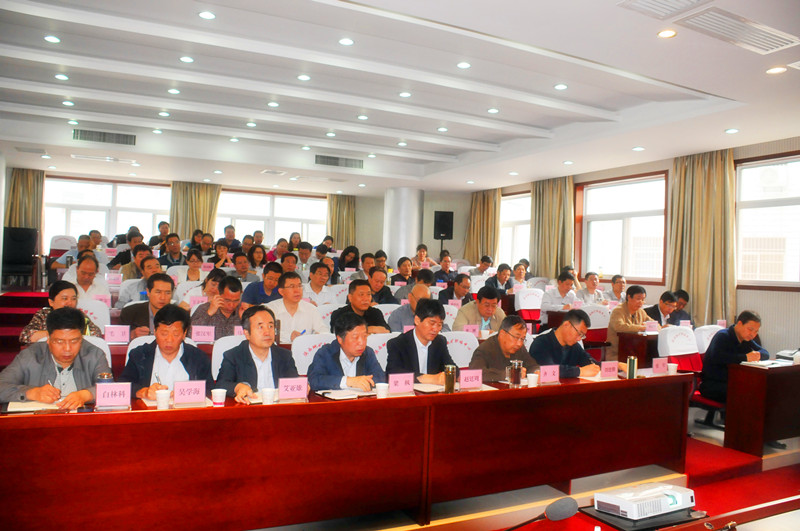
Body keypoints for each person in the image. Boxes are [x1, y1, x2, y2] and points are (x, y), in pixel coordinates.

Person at [0, 307, 111, 408]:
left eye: (74, 341)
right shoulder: (30, 355)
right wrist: (32, 393)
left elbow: (110, 389)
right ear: (48, 338)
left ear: (81, 338)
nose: (67, 348)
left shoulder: (95, 355)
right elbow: (2, 386)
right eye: (59, 341)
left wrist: (86, 395)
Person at [119, 304, 214, 399]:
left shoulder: (198, 358)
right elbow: (123, 386)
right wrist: (144, 392)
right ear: (155, 331)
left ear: (184, 334)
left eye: (176, 334)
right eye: (164, 334)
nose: (169, 340)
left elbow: (209, 390)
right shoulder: (139, 355)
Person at [216, 306, 299, 403]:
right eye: (260, 327)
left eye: (270, 326)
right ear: (247, 333)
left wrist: (305, 386)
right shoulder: (233, 356)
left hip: (278, 407)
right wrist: (238, 387)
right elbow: (221, 384)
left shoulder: (284, 356)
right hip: (249, 409)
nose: (267, 332)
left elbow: (295, 382)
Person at [699, 310, 768, 403]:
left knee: (760, 389)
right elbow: (718, 357)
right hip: (713, 384)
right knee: (745, 392)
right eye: (750, 329)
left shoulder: (746, 339)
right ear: (739, 324)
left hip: (734, 381)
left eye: (756, 331)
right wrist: (745, 357)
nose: (753, 334)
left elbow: (765, 353)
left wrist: (757, 355)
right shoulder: (722, 336)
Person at [308, 312, 386, 392]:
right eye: (355, 337)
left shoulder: (368, 352)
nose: (362, 342)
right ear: (340, 339)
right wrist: (348, 381)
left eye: (364, 336)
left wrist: (366, 382)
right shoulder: (326, 353)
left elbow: (380, 377)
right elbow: (314, 380)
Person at [386, 299, 456, 385]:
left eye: (439, 324)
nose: (435, 329)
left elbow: (451, 367)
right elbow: (392, 374)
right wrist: (428, 378)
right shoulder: (398, 344)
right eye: (432, 323)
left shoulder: (440, 342)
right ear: (417, 320)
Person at [19, 281, 102, 345]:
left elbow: (96, 333)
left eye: (73, 299)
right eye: (65, 298)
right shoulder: (43, 314)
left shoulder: (79, 315)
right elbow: (26, 335)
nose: (70, 303)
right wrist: (60, 334)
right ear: (51, 302)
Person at [529, 309, 600, 378]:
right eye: (579, 333)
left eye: (582, 336)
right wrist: (579, 371)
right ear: (566, 324)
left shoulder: (574, 346)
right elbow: (550, 370)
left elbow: (589, 361)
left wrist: (598, 367)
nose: (579, 339)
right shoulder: (541, 343)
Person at [469, 316, 539, 382]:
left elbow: (532, 365)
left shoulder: (519, 348)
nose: (519, 343)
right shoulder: (485, 349)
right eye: (516, 337)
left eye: (522, 339)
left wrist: (536, 371)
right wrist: (508, 374)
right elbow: (475, 373)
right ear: (502, 334)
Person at [267, 272, 327, 343]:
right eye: (292, 286)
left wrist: (318, 336)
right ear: (281, 291)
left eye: (299, 286)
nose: (297, 290)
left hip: (304, 348)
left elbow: (323, 330)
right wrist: (289, 336)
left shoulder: (311, 309)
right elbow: (266, 331)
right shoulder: (270, 309)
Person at [606, 285, 657, 361]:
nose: (641, 302)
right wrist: (641, 328)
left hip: (635, 351)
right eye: (638, 299)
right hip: (618, 353)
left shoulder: (641, 312)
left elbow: (654, 324)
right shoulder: (618, 311)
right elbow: (619, 326)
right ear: (629, 297)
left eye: (643, 299)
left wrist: (656, 327)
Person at [120, 273, 175, 339]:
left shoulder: (179, 315)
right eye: (158, 292)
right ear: (148, 292)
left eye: (167, 293)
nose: (163, 297)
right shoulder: (129, 312)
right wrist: (132, 335)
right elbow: (119, 338)